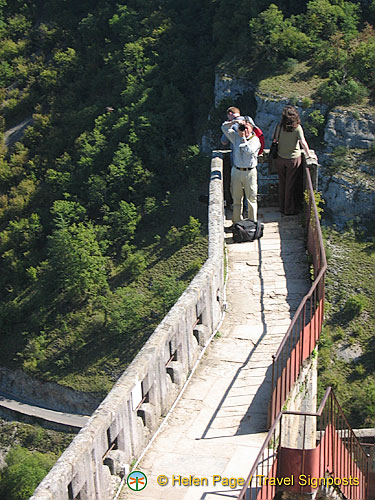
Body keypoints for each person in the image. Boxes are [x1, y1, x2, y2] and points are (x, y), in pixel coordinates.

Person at [273, 105, 317, 215]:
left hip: (280, 158)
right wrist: (309, 155)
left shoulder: (279, 126)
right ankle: (288, 210)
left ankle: (282, 207)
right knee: (290, 185)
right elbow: (303, 142)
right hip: (293, 160)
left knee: (282, 183)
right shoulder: (297, 128)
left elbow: (275, 139)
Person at [221, 116, 261, 224]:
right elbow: (224, 127)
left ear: (252, 128)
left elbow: (249, 150)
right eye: (243, 127)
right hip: (236, 171)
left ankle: (252, 223)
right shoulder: (235, 137)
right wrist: (234, 122)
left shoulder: (255, 140)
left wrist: (243, 138)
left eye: (247, 127)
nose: (244, 130)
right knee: (236, 199)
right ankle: (237, 223)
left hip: (250, 172)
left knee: (251, 198)